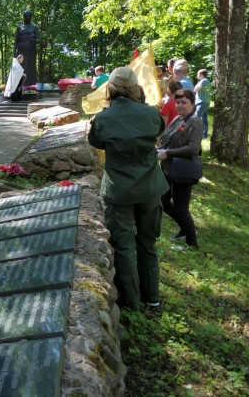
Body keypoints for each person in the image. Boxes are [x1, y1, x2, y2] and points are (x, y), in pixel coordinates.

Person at [88, 67, 168, 311]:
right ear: (136, 89)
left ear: (109, 88)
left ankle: (132, 304)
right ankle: (152, 298)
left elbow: (95, 142)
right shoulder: (151, 114)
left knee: (123, 246)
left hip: (118, 190)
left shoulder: (103, 118)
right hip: (149, 188)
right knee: (147, 243)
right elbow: (159, 132)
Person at [158, 89, 203, 250]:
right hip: (168, 168)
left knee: (181, 207)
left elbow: (193, 148)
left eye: (184, 102)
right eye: (177, 102)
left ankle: (192, 242)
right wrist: (160, 148)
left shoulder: (195, 121)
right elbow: (167, 137)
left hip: (182, 170)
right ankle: (185, 227)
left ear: (192, 103)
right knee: (162, 201)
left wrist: (167, 153)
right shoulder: (177, 118)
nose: (180, 105)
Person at [13, 10, 41, 86]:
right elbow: (16, 41)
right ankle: (19, 87)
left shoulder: (34, 27)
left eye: (29, 16)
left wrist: (34, 40)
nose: (27, 17)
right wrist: (14, 52)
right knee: (20, 68)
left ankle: (31, 87)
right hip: (21, 51)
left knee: (30, 68)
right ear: (23, 17)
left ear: (31, 17)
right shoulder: (19, 28)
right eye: (26, 16)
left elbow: (39, 40)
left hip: (31, 51)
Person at [194, 69, 211, 139]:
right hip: (204, 102)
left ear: (201, 74)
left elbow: (196, 89)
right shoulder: (205, 81)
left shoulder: (204, 81)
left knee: (196, 117)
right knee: (204, 119)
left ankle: (196, 134)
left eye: (198, 74)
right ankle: (204, 135)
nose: (197, 76)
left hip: (202, 102)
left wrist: (195, 87)